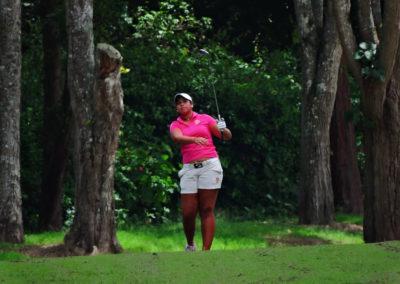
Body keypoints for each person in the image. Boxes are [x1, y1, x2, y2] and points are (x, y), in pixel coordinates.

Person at [169, 92, 232, 251]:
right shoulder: (176, 124)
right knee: (188, 212)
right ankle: (190, 244)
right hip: (189, 169)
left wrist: (223, 128)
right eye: (178, 103)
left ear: (191, 104)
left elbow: (226, 137)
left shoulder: (205, 118)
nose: (181, 104)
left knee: (206, 209)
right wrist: (194, 139)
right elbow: (177, 137)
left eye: (184, 101)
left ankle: (206, 250)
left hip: (210, 166)